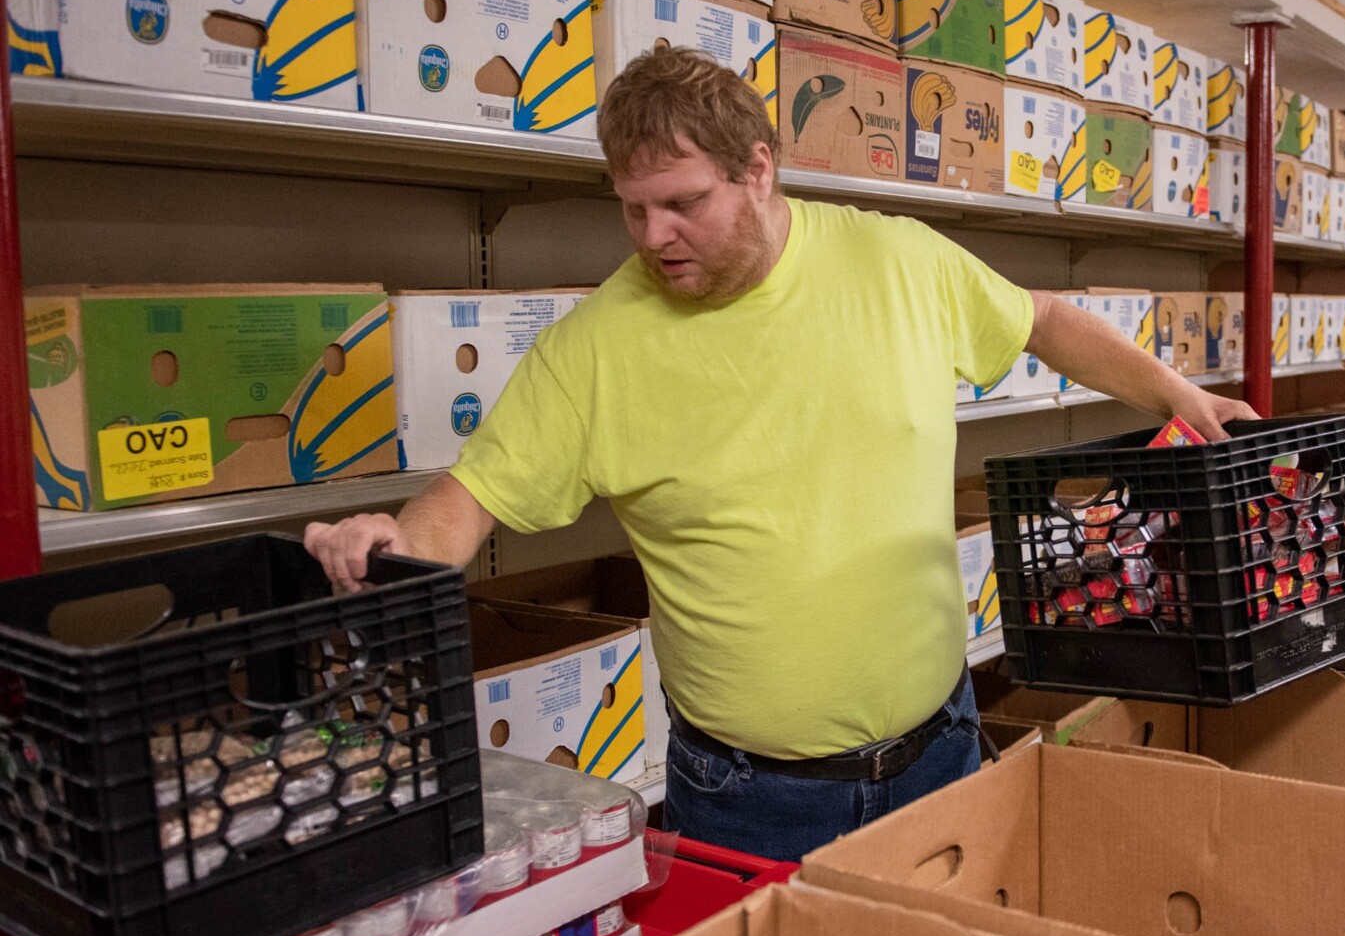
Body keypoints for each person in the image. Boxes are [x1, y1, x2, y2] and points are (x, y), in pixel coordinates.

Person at [305, 47, 1255, 861]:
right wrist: (393, 546)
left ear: (759, 168)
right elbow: (473, 496)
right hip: (748, 798)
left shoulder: (900, 264)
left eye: (681, 203)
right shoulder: (595, 349)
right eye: (632, 209)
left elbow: (1041, 317)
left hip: (944, 750)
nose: (653, 237)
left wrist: (1176, 393)